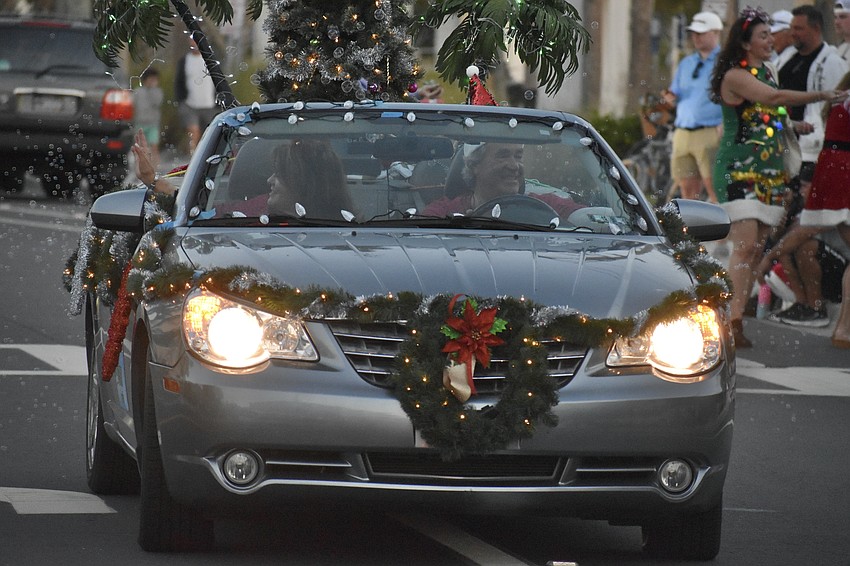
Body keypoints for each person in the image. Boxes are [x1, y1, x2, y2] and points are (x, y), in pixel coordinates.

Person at [709, 7, 848, 348]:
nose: (771, 40)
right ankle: (728, 321)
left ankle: (735, 317)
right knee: (743, 249)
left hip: (769, 171)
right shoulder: (735, 75)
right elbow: (772, 98)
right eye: (763, 35)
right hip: (739, 169)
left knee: (756, 250)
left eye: (771, 34)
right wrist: (822, 95)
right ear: (745, 42)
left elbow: (774, 110)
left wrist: (792, 125)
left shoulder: (767, 70)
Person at [775, 5, 849, 184]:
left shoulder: (831, 63)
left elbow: (835, 109)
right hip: (782, 143)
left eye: (799, 28)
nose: (793, 33)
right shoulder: (785, 60)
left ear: (816, 29)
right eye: (792, 28)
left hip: (811, 150)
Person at [422, 143, 584, 218]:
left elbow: (592, 219)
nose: (514, 166)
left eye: (518, 156)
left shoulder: (548, 206)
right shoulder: (442, 214)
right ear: (474, 165)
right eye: (503, 155)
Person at [662, 11, 723, 202]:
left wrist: (725, 124)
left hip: (710, 131)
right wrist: (669, 98)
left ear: (716, 32)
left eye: (701, 33)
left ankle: (721, 230)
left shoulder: (725, 62)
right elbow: (675, 93)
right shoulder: (686, 63)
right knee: (687, 192)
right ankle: (691, 231)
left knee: (715, 190)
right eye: (694, 33)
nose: (695, 37)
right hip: (683, 132)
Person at [175, 35, 219, 153]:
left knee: (210, 134)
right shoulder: (184, 61)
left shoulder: (211, 60)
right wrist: (180, 101)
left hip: (209, 105)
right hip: (190, 104)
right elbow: (179, 82)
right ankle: (193, 157)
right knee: (193, 132)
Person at [133, 67, 163, 170]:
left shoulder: (157, 92)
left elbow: (157, 102)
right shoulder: (137, 91)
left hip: (153, 123)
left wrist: (153, 89)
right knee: (140, 147)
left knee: (154, 146)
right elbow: (133, 106)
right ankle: (140, 166)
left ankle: (155, 167)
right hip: (139, 123)